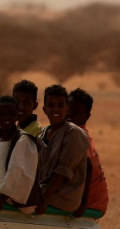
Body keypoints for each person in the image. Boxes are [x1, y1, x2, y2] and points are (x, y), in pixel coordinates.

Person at [34, 84, 90, 215]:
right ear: (44, 109)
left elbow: (63, 172)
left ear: (67, 108)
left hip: (63, 197)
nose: (56, 109)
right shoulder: (42, 134)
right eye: (51, 105)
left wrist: (43, 200)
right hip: (43, 191)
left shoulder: (74, 133)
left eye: (60, 105)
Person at [0, 96, 41, 214]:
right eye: (2, 114)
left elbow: (15, 171)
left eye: (11, 114)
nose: (6, 118)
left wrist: (0, 198)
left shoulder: (23, 139)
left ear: (17, 116)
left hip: (7, 197)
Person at [67, 87, 110, 217]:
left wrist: (83, 204)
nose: (70, 115)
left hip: (91, 202)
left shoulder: (78, 135)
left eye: (76, 112)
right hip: (98, 199)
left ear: (87, 116)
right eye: (68, 110)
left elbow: (89, 167)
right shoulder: (78, 132)